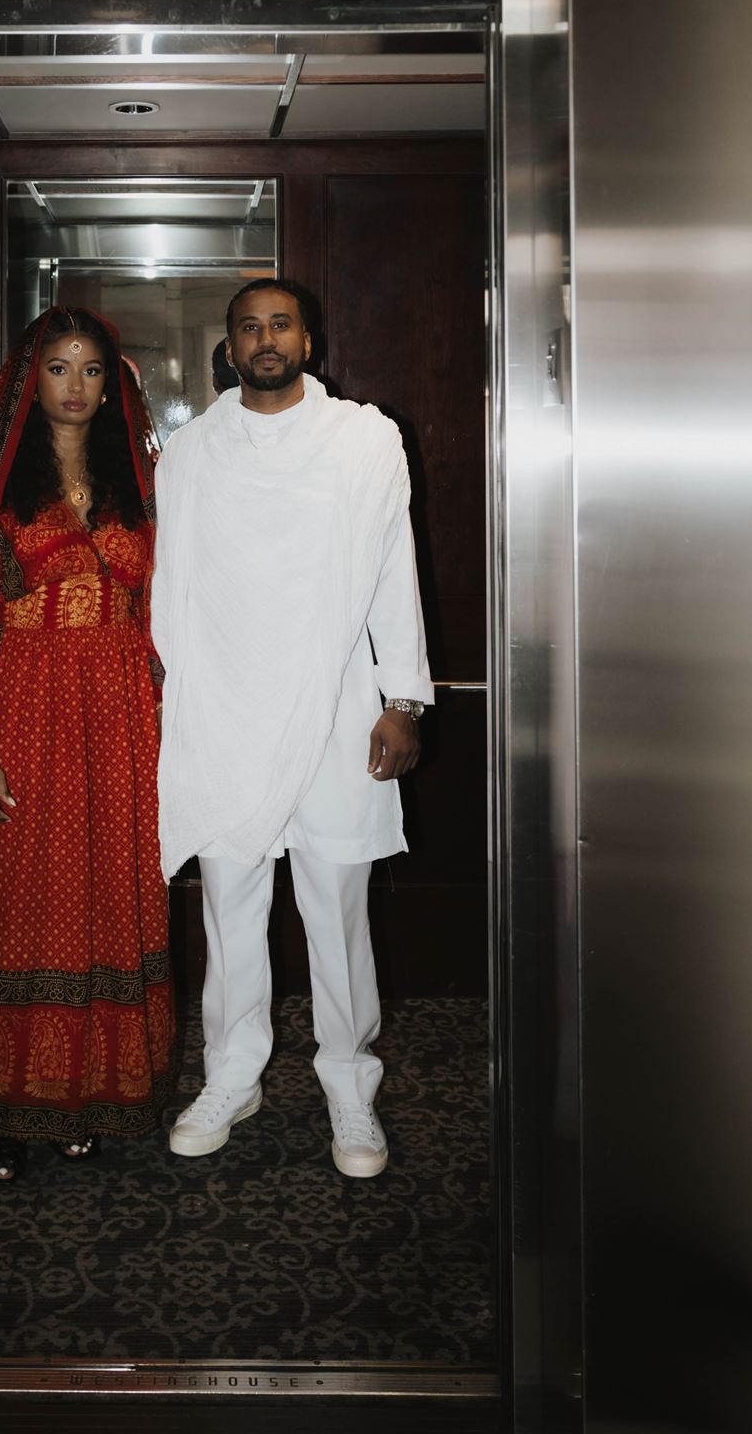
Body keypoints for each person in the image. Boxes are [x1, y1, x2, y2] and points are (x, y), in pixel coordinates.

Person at [151, 278, 433, 1179]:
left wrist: (403, 698)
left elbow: (393, 572)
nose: (264, 339)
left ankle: (349, 1086)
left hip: (340, 710)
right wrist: (186, 710)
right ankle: (232, 1074)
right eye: (247, 328)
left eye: (280, 325)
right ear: (228, 348)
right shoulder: (191, 452)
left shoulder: (362, 440)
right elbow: (173, 595)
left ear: (307, 339)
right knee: (231, 912)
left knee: (336, 912)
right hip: (228, 712)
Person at [0, 307, 175, 1180]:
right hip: (24, 713)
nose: (77, 386)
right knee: (17, 907)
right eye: (59, 368)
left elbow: (173, 606)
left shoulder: (142, 483)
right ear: (29, 379)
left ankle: (85, 1092)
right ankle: (3, 1109)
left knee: (103, 899)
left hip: (122, 719)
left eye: (92, 370)